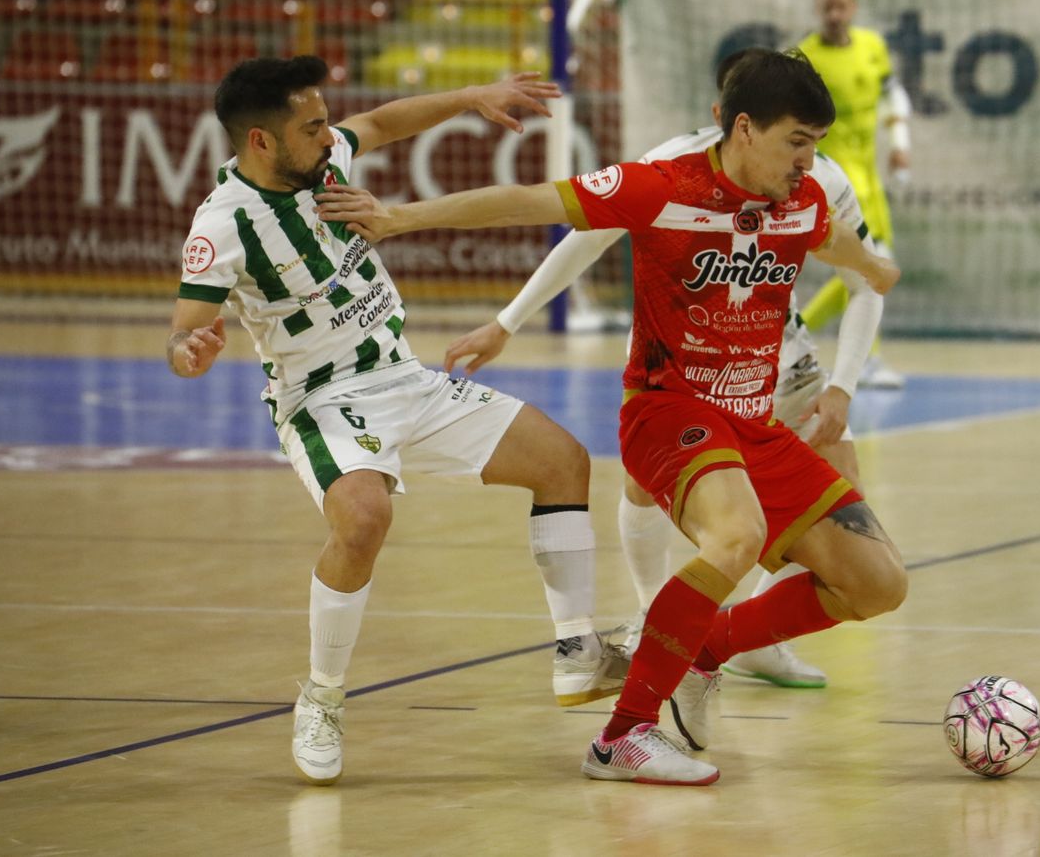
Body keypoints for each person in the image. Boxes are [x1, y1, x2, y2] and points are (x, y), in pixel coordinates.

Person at [316, 49, 908, 786]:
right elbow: (521, 199)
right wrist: (400, 218)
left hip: (754, 424)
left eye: (816, 144)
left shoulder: (804, 196)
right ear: (746, 128)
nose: (807, 161)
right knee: (737, 535)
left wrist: (874, 270)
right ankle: (621, 738)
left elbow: (834, 241)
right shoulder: (662, 185)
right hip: (670, 413)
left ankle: (707, 646)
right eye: (798, 141)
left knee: (880, 583)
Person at [166, 56, 628, 786]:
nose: (330, 136)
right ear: (261, 141)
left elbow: (381, 122)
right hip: (323, 400)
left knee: (564, 461)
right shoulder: (222, 227)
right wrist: (192, 349)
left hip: (404, 379)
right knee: (363, 519)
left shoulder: (323, 161)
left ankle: (578, 650)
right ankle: (321, 697)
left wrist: (475, 95)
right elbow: (184, 332)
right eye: (312, 126)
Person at [440, 47, 887, 690]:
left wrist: (843, 386)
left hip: (784, 368)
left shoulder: (815, 178)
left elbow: (866, 281)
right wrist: (508, 322)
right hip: (684, 370)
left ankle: (748, 637)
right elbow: (587, 235)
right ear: (734, 118)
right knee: (646, 487)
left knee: (841, 522)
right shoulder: (667, 169)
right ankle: (658, 617)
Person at [797, 0, 913, 389]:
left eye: (841, 5)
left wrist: (899, 142)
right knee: (870, 268)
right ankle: (794, 336)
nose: (834, 14)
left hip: (868, 178)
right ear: (817, 9)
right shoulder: (804, 57)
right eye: (827, 6)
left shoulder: (872, 47)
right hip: (828, 178)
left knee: (871, 269)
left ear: (853, 7)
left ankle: (865, 357)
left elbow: (893, 96)